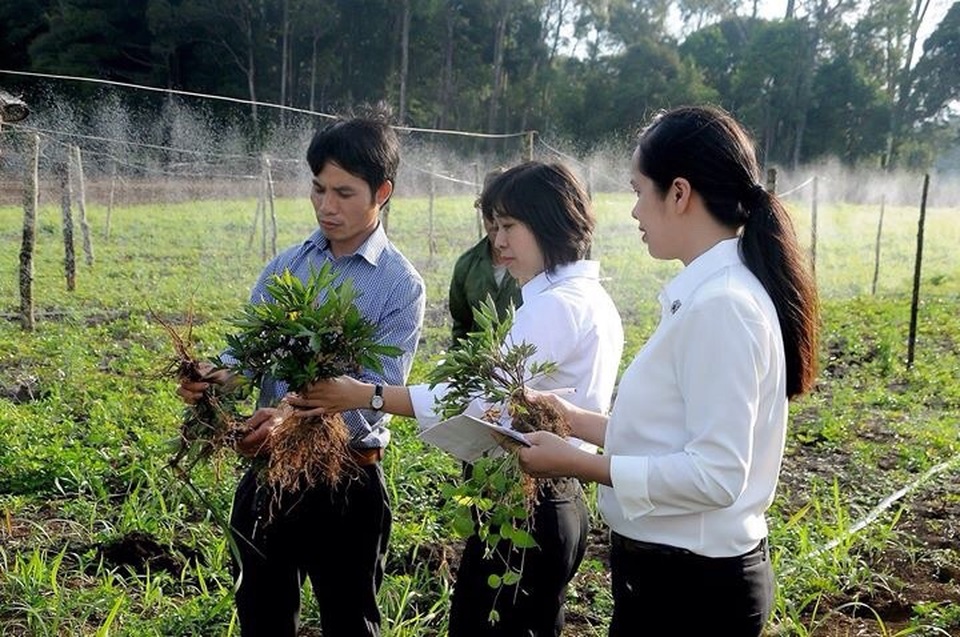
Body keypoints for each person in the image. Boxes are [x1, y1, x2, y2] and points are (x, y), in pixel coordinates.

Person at [516, 105, 820, 636]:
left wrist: (579, 463)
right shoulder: (710, 295)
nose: (634, 210)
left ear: (679, 193)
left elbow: (715, 475)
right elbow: (674, 438)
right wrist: (575, 419)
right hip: (676, 580)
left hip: (691, 593)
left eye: (639, 191)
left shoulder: (722, 306)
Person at [290, 161, 624, 636]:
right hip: (553, 500)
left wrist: (368, 395)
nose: (498, 241)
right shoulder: (585, 296)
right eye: (493, 226)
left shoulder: (556, 306)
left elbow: (482, 401)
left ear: (549, 223)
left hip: (528, 506)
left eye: (509, 226)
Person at [177, 116, 426, 637]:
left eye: (343, 193)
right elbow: (246, 358)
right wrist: (214, 379)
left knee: (349, 621)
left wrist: (288, 422)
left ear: (381, 193)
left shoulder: (400, 285)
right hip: (269, 475)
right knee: (262, 615)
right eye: (318, 189)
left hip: (347, 479)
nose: (326, 206)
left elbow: (372, 395)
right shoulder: (286, 266)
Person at [448, 168, 523, 347]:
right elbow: (461, 329)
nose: (496, 223)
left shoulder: (534, 266)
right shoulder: (467, 266)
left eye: (505, 216)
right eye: (490, 213)